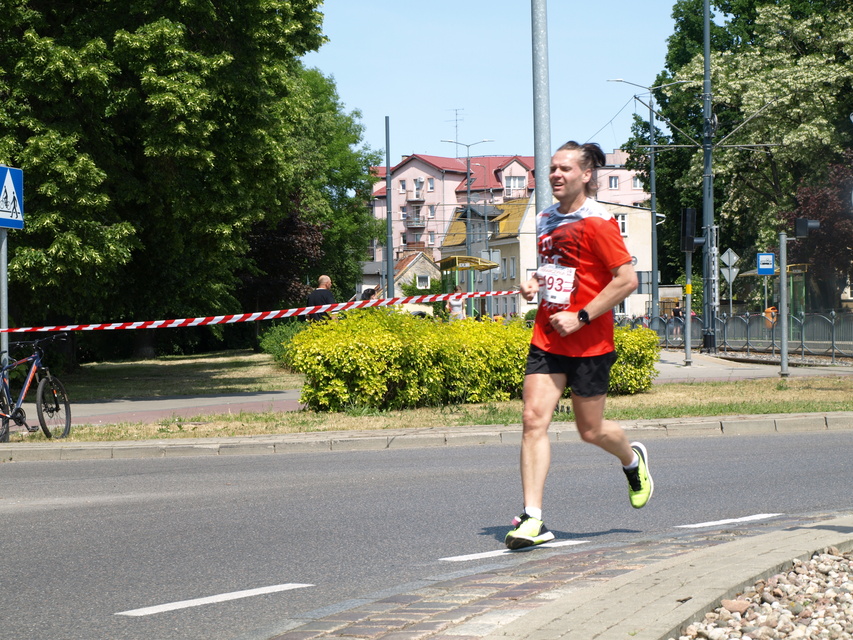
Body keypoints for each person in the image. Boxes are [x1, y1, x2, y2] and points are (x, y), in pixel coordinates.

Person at [505, 141, 654, 551]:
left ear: (586, 175)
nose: (555, 175)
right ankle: (533, 518)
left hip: (589, 340)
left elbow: (627, 281)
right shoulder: (545, 218)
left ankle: (632, 460)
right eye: (551, 168)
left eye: (565, 169)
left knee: (590, 431)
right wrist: (533, 282)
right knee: (533, 419)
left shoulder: (599, 221)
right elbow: (556, 267)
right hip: (548, 336)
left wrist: (582, 316)